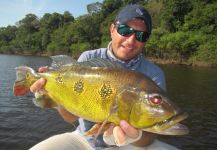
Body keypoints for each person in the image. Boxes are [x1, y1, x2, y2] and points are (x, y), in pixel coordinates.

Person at [30, 4, 179, 150]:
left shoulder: (153, 74)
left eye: (141, 35)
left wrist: (136, 136)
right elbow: (70, 117)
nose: (131, 40)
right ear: (112, 29)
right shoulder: (89, 58)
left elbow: (150, 136)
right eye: (125, 30)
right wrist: (52, 95)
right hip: (85, 140)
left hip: (129, 147)